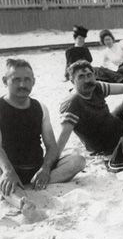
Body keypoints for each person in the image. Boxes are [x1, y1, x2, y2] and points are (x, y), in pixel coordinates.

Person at [0, 59, 85, 219]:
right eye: (16, 79)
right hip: (8, 170)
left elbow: (52, 146)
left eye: (26, 79)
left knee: (78, 160)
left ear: (33, 81)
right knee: (3, 179)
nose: (22, 84)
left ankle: (29, 187)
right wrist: (8, 171)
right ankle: (23, 203)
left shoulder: (40, 108)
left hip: (35, 172)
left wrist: (45, 168)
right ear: (5, 81)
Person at [58, 60, 123, 155]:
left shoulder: (96, 87)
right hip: (106, 144)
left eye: (89, 75)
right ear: (73, 81)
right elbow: (62, 138)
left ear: (94, 75)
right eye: (81, 77)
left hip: (117, 126)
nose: (87, 80)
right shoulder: (72, 103)